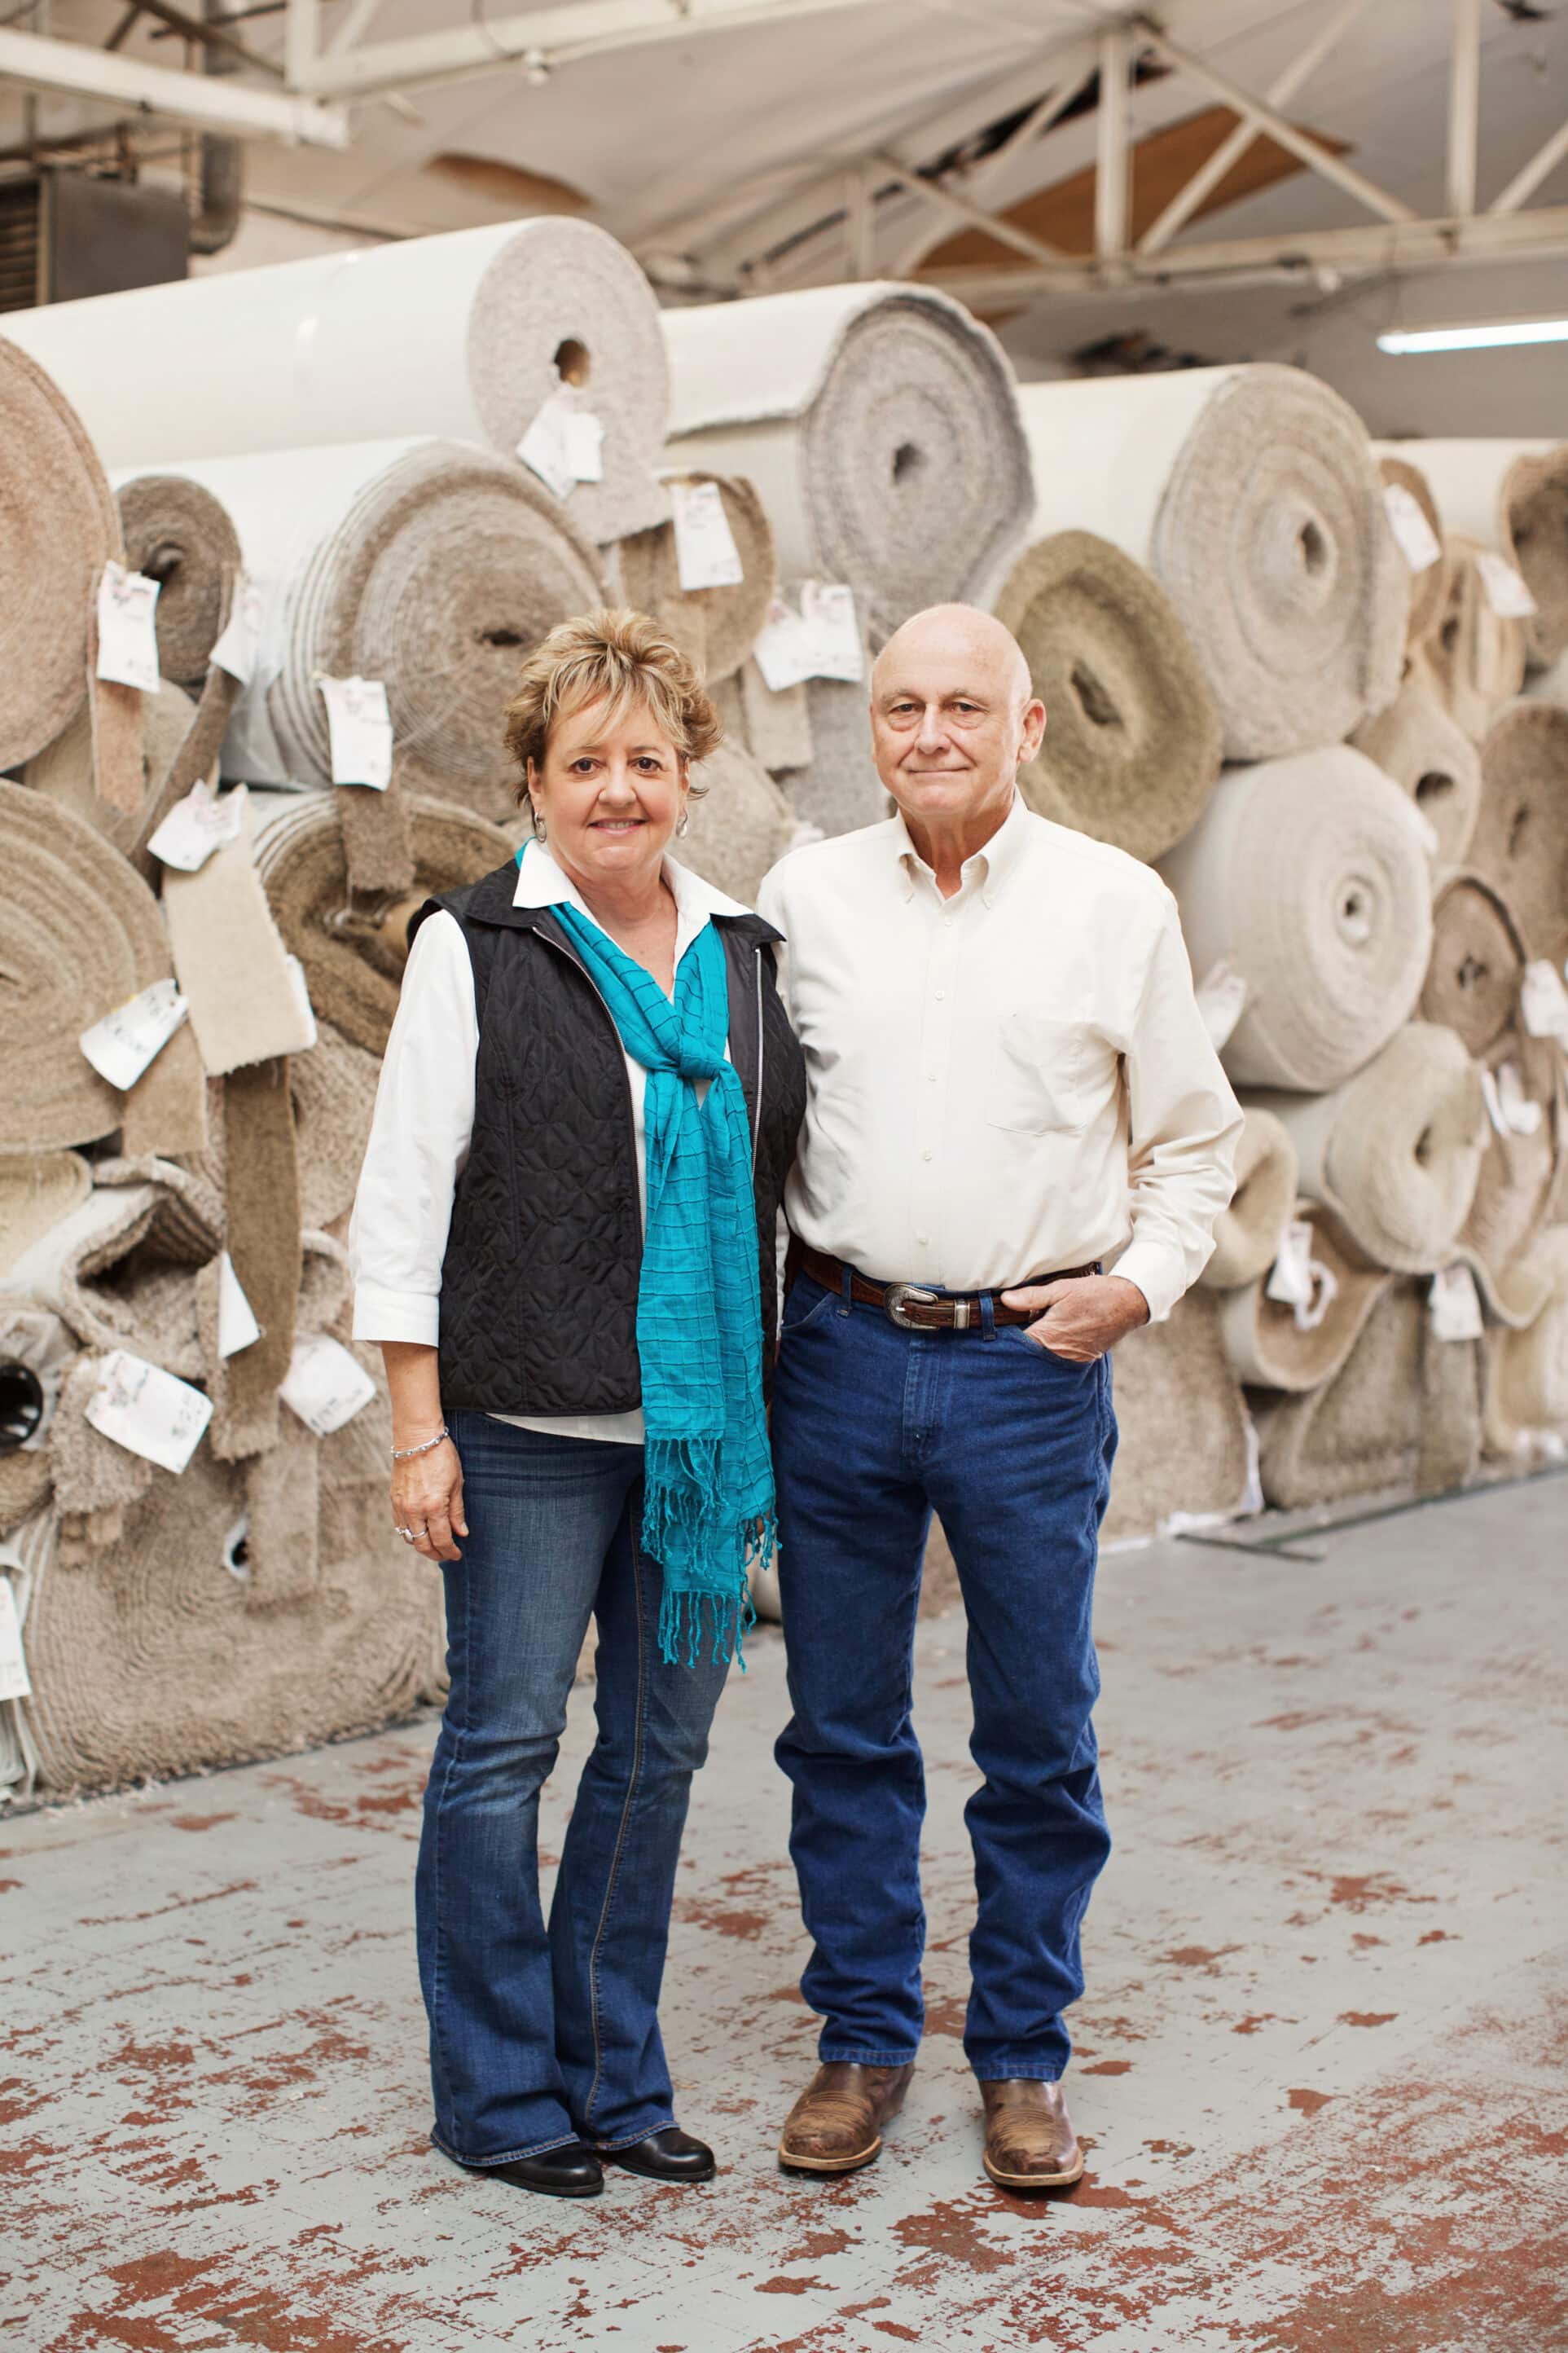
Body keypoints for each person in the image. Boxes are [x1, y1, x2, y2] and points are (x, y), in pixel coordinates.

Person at [756, 603, 1241, 2193]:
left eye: (965, 706)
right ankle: (863, 2037)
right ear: (871, 731)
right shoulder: (804, 899)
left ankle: (1023, 2053)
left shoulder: (1114, 905)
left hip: (1028, 1368)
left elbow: (1193, 1140)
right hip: (836, 1350)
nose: (932, 734)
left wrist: (1135, 1287)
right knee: (841, 1725)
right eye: (903, 707)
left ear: (1028, 727)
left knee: (1036, 1726)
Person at [349, 608, 805, 2201]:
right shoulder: (476, 945)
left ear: (689, 778)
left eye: (648, 761)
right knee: (503, 1746)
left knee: (658, 1754)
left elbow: (782, 1189)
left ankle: (613, 2076)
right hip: (526, 1429)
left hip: (696, 1440)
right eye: (586, 761)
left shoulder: (745, 957)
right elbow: (403, 1199)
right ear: (533, 782)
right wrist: (417, 1432)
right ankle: (495, 2095)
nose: (619, 789)